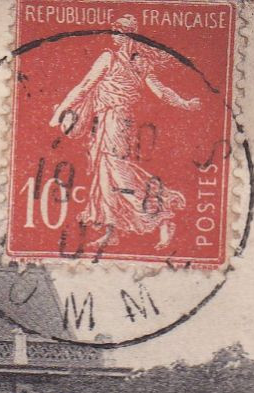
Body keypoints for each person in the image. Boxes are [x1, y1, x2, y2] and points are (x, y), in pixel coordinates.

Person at [51, 14, 199, 249]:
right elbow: (87, 85)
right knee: (105, 174)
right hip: (109, 120)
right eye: (114, 31)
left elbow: (86, 86)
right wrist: (184, 103)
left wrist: (61, 110)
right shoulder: (132, 61)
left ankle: (162, 216)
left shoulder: (115, 59)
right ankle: (112, 230)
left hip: (115, 120)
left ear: (128, 34)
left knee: (117, 172)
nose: (114, 36)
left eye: (118, 31)